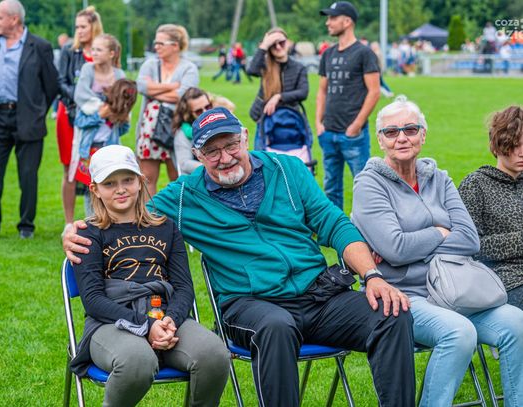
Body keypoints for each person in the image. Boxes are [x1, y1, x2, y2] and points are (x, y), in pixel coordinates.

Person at [65, 107, 416, 407]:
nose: (225, 157)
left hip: (319, 295)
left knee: (390, 313)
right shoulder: (184, 196)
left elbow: (334, 223)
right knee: (276, 326)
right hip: (249, 304)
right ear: (197, 155)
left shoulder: (288, 170)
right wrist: (75, 230)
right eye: (212, 151)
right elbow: (126, 212)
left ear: (245, 137)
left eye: (231, 144)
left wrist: (372, 276)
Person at [351, 96, 523, 407]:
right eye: (391, 132)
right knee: (459, 333)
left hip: (455, 288)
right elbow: (395, 248)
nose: (402, 137)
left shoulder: (438, 178)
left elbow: (469, 239)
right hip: (404, 295)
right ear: (380, 139)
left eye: (410, 129)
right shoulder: (369, 185)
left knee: (517, 323)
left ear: (423, 134)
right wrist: (440, 232)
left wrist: (411, 244)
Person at [69, 144, 229, 407]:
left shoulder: (166, 228)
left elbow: (184, 288)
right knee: (137, 361)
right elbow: (93, 301)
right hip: (111, 322)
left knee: (214, 354)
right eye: (109, 183)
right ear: (95, 189)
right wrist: (146, 325)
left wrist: (169, 320)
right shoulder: (88, 234)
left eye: (127, 180)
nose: (120, 189)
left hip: (166, 317)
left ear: (141, 180)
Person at [0, 0, 58, 240]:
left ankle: (26, 225)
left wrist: (37, 111)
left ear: (14, 19)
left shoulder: (40, 46)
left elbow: (51, 85)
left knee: (28, 174)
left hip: (28, 119)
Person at [316, 1, 380, 209]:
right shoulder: (328, 54)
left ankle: (366, 225)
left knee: (364, 187)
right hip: (328, 132)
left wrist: (356, 125)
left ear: (347, 21)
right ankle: (336, 226)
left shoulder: (364, 53)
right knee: (331, 188)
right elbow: (322, 90)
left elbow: (374, 91)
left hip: (353, 135)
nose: (328, 22)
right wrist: (318, 123)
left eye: (333, 18)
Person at [459, 106, 523, 310]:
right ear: (497, 146)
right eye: (514, 145)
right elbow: (470, 246)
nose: (521, 152)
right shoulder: (476, 185)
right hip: (504, 280)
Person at [136, 24, 199, 196]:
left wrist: (153, 90)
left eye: (160, 43)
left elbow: (183, 95)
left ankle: (178, 212)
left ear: (175, 46)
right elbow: (141, 86)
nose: (156, 47)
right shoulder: (150, 64)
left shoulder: (189, 68)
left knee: (177, 176)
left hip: (175, 128)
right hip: (149, 129)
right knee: (147, 178)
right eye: (155, 43)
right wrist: (171, 86)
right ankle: (149, 213)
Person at [57, 5, 103, 235]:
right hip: (70, 114)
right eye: (77, 27)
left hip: (98, 119)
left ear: (94, 27)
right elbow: (61, 81)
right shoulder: (69, 51)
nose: (79, 31)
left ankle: (95, 218)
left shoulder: (103, 50)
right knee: (70, 167)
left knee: (95, 166)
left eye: (83, 26)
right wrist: (80, 99)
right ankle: (68, 221)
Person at [70, 34, 126, 215]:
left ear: (111, 53)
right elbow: (80, 96)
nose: (93, 53)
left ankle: (111, 222)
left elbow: (124, 107)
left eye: (99, 50)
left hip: (110, 140)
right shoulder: (88, 69)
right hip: (89, 143)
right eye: (93, 49)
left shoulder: (119, 75)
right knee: (91, 187)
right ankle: (92, 222)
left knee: (111, 183)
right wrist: (103, 110)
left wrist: (118, 112)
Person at [247, 27, 309, 148]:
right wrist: (264, 45)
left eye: (282, 42)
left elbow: (303, 92)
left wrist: (279, 97)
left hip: (289, 120)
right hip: (265, 121)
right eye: (273, 44)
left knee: (289, 156)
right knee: (262, 157)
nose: (278, 47)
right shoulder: (265, 66)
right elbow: (251, 70)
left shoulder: (299, 67)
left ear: (288, 43)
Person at [172, 87, 212, 175]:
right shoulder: (182, 134)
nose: (205, 112)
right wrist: (212, 166)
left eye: (207, 107)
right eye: (199, 111)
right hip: (198, 178)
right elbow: (184, 163)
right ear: (189, 113)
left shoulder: (220, 120)